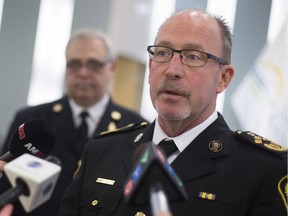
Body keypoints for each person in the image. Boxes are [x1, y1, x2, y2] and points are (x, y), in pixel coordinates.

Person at [58, 9, 287, 216]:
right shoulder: (101, 151)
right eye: (163, 53)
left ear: (223, 78)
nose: (172, 70)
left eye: (193, 57)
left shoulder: (262, 169)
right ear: (150, 69)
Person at [0, 29, 147, 216]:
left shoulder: (136, 129)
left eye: (94, 64)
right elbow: (5, 184)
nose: (83, 73)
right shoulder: (31, 121)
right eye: (74, 64)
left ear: (112, 68)